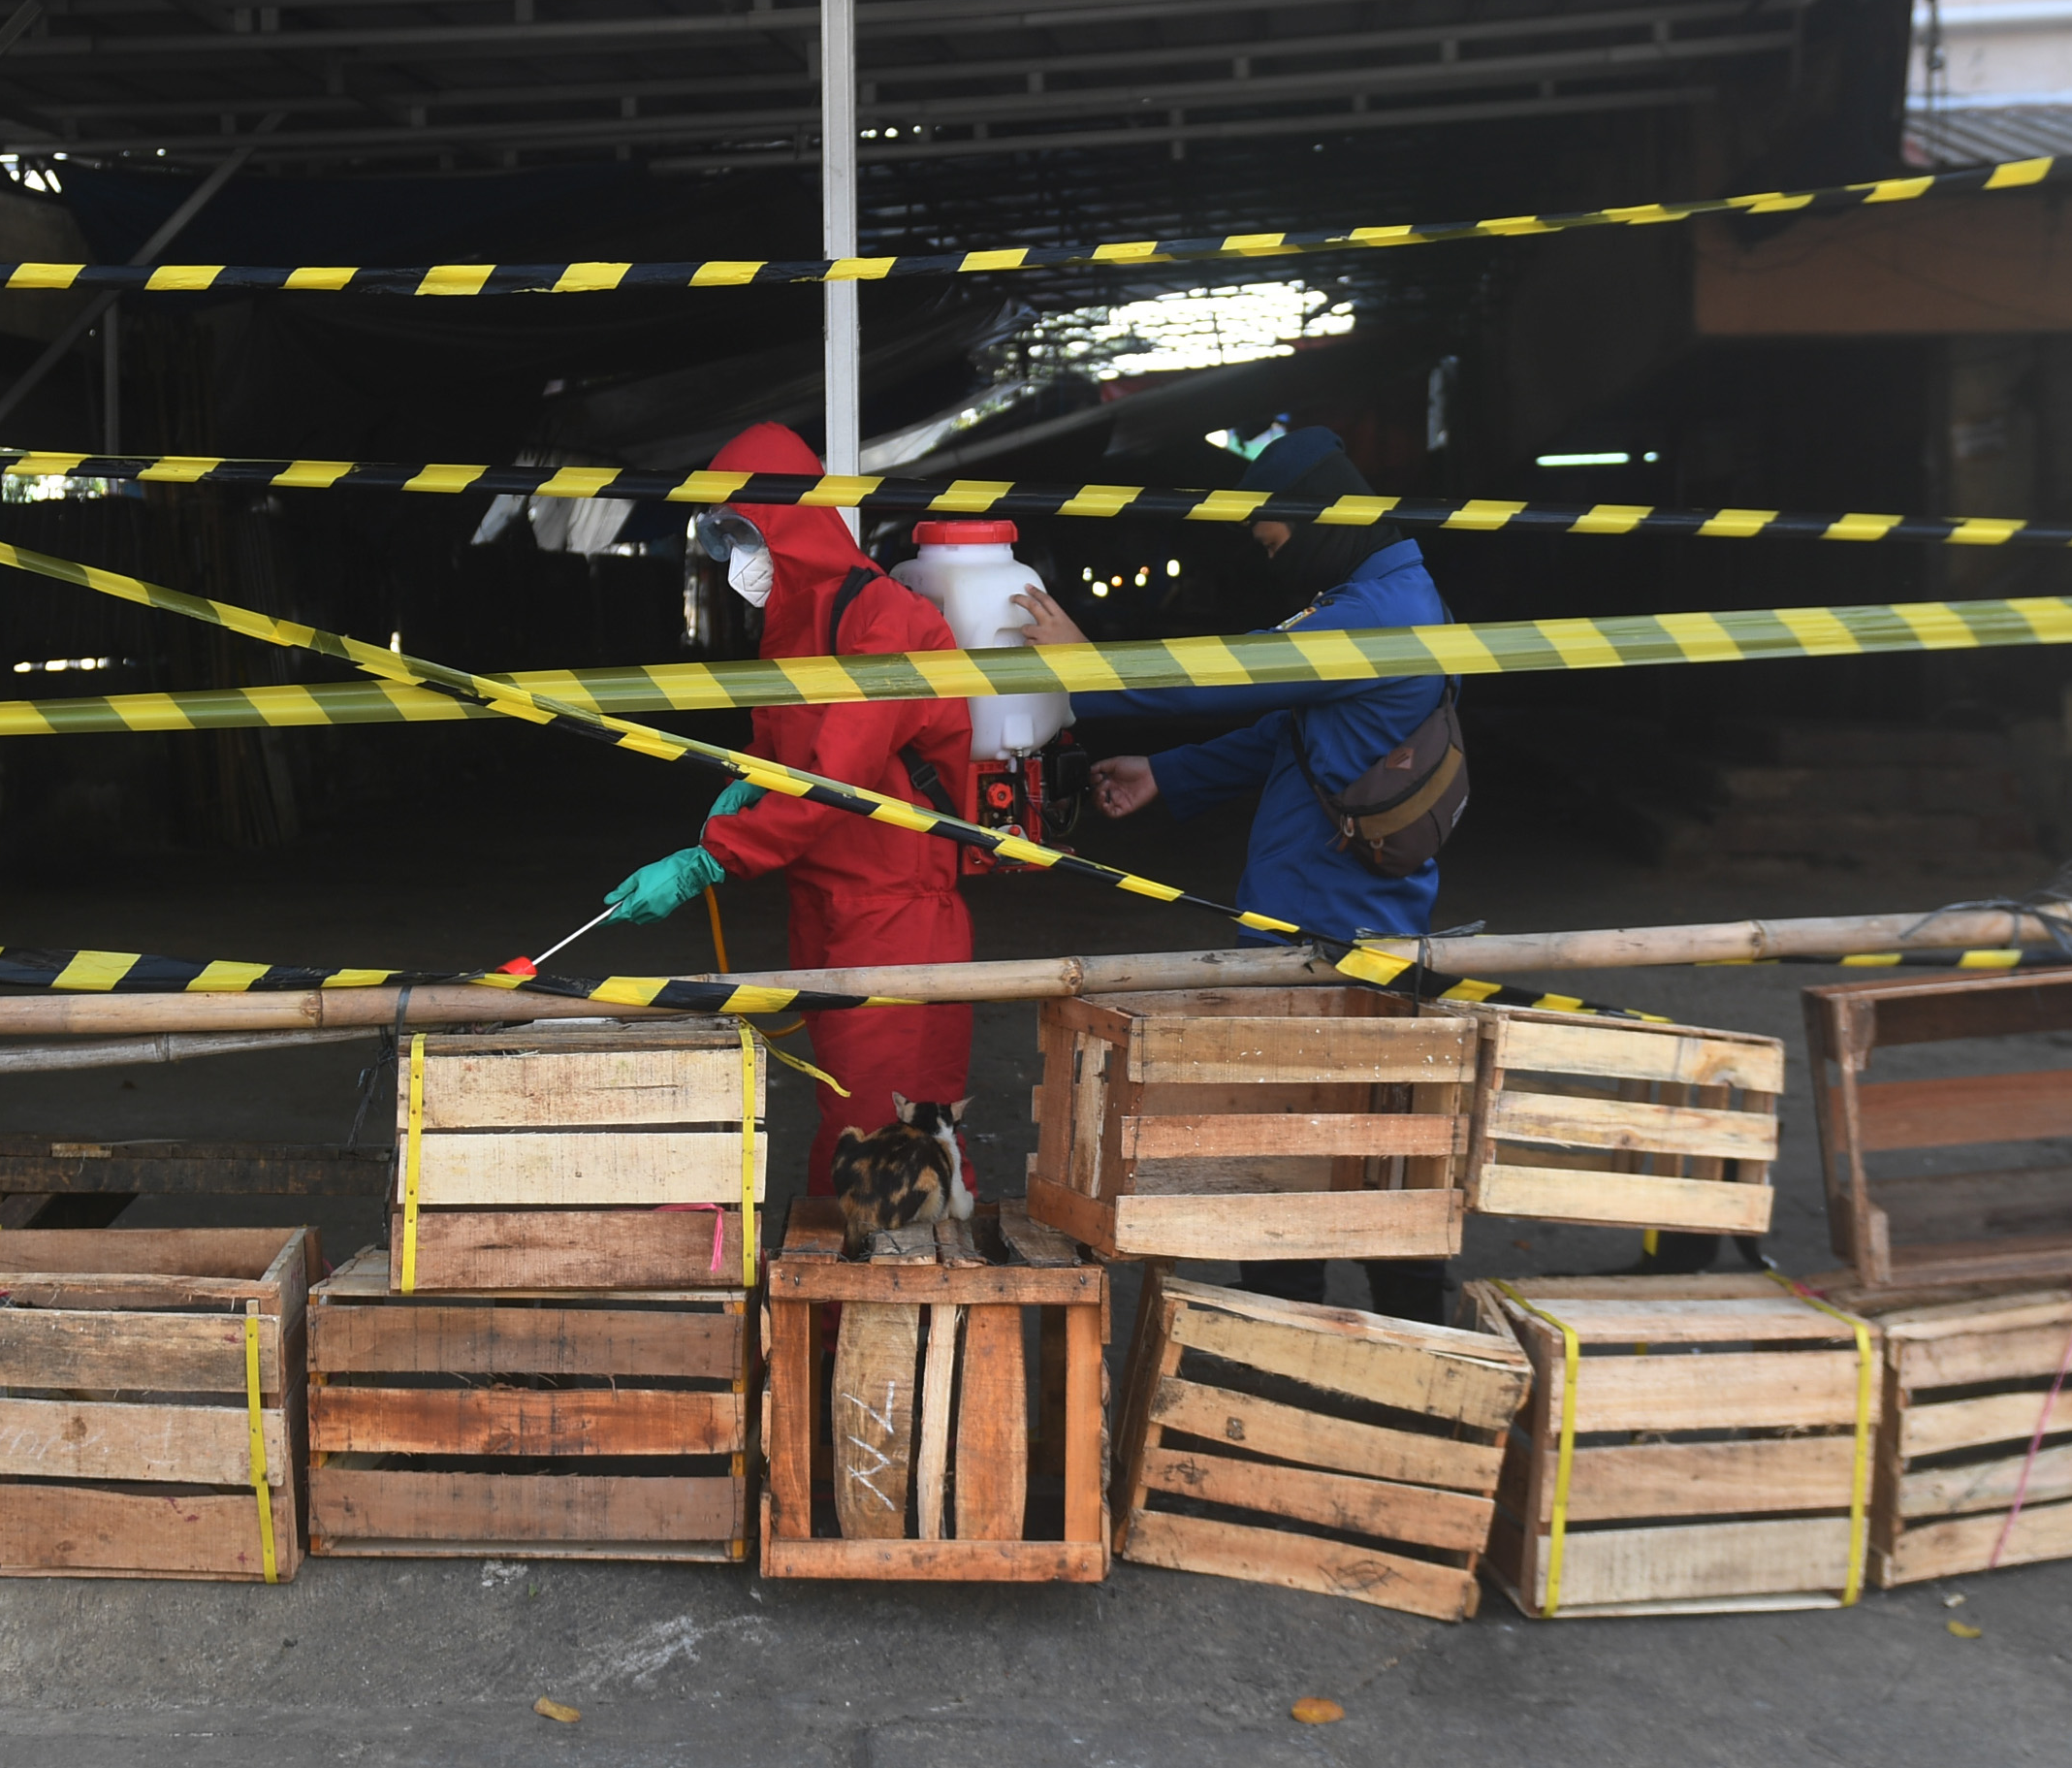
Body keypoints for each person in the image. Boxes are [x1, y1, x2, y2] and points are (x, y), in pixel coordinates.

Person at [1007, 422, 1459, 1324]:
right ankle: (1343, 1341)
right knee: (1343, 1154)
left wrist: (1085, 663)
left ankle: (1382, 1352)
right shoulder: (1373, 593)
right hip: (1317, 924)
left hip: (1335, 938)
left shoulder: (1377, 613)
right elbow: (1287, 727)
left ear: (1318, 519)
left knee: (1321, 1162)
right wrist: (1166, 773)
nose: (1271, 562)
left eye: (1273, 541)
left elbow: (1229, 679)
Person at [596, 421, 978, 1196]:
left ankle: (868, 1316)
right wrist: (750, 783)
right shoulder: (791, 621)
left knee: (884, 1149)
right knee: (853, 1126)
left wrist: (713, 856)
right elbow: (786, 760)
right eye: (724, 535)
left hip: (896, 921)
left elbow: (835, 781)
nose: (738, 553)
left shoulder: (884, 620)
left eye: (746, 529)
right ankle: (844, 1311)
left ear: (788, 518)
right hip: (828, 909)